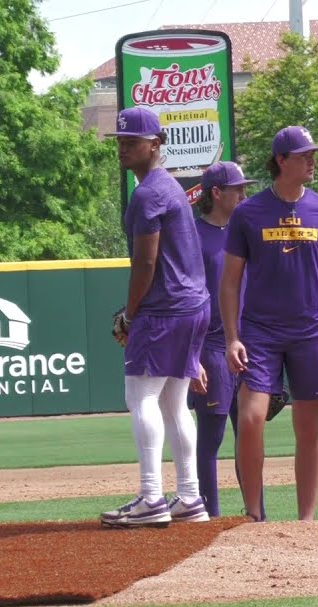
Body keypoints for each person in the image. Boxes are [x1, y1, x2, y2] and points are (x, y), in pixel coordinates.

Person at [221, 125, 318, 522]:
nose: (312, 160)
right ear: (281, 161)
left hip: (312, 332)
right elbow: (229, 282)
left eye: (312, 154)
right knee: (250, 420)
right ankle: (253, 514)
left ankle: (307, 522)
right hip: (260, 333)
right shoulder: (248, 213)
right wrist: (232, 338)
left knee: (309, 429)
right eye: (303, 155)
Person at [100, 107, 212, 528]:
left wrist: (130, 315)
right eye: (120, 141)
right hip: (191, 305)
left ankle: (151, 497)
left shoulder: (148, 193)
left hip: (164, 309)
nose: (124, 147)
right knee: (174, 402)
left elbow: (145, 263)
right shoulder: (169, 187)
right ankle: (189, 496)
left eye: (133, 141)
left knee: (141, 397)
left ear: (156, 144)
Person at [188, 161, 255, 517]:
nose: (245, 194)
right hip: (211, 346)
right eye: (238, 189)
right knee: (211, 438)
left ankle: (255, 513)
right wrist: (192, 356)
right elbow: (185, 300)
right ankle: (208, 515)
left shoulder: (245, 231)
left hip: (249, 344)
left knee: (249, 434)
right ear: (216, 193)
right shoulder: (193, 237)